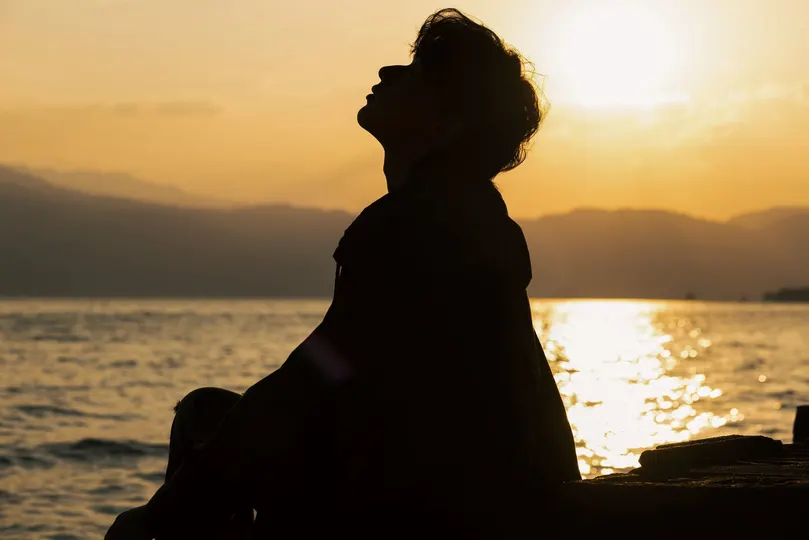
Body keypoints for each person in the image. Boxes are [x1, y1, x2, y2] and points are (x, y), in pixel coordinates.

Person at [106, 8, 580, 540]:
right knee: (212, 417)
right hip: (488, 493)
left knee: (204, 423)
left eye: (417, 73)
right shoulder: (475, 219)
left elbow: (309, 380)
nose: (387, 72)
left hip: (434, 511)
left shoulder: (411, 227)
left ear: (448, 124)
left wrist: (159, 515)